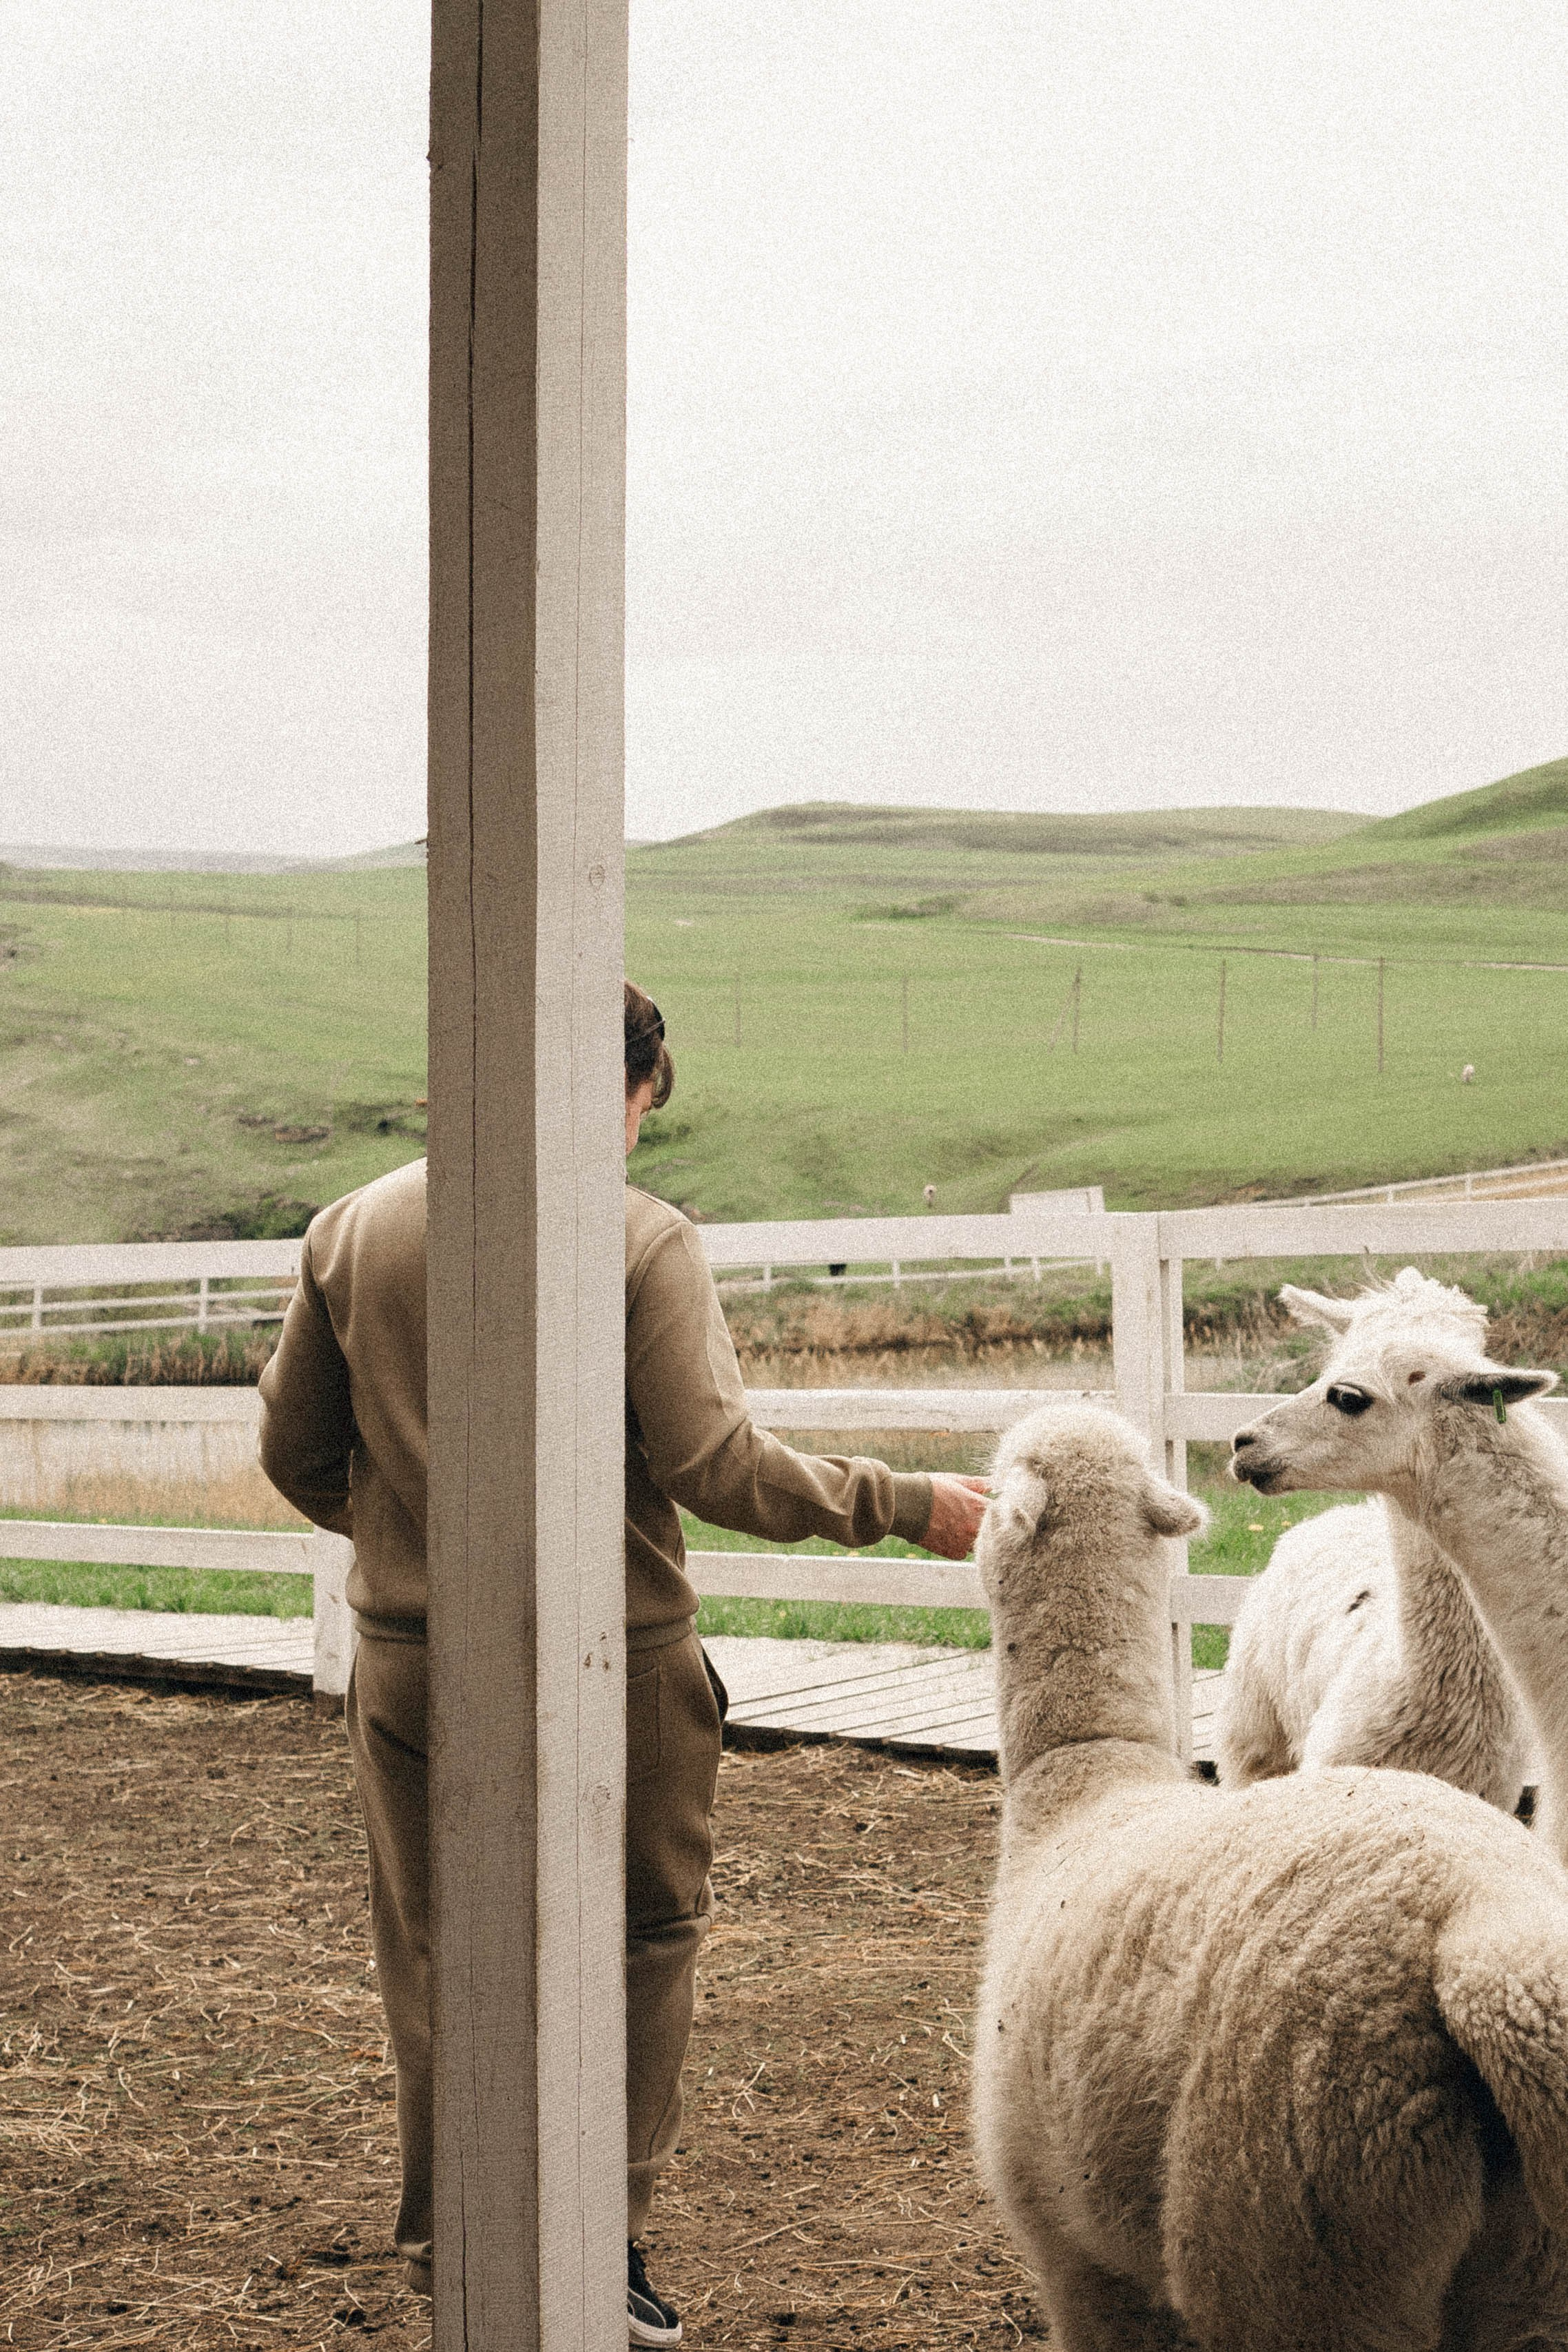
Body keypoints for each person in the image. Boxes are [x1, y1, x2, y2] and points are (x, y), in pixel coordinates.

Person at [256, 983, 988, 2346]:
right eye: (648, 1109)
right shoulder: (640, 1240)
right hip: (616, 1660)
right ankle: (604, 2251)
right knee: (641, 1935)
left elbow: (295, 1457)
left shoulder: (349, 1230)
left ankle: (457, 2242)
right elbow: (711, 1466)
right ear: (631, 1086)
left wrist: (422, 1552)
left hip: (415, 1664)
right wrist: (901, 1503)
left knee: (438, 1946)